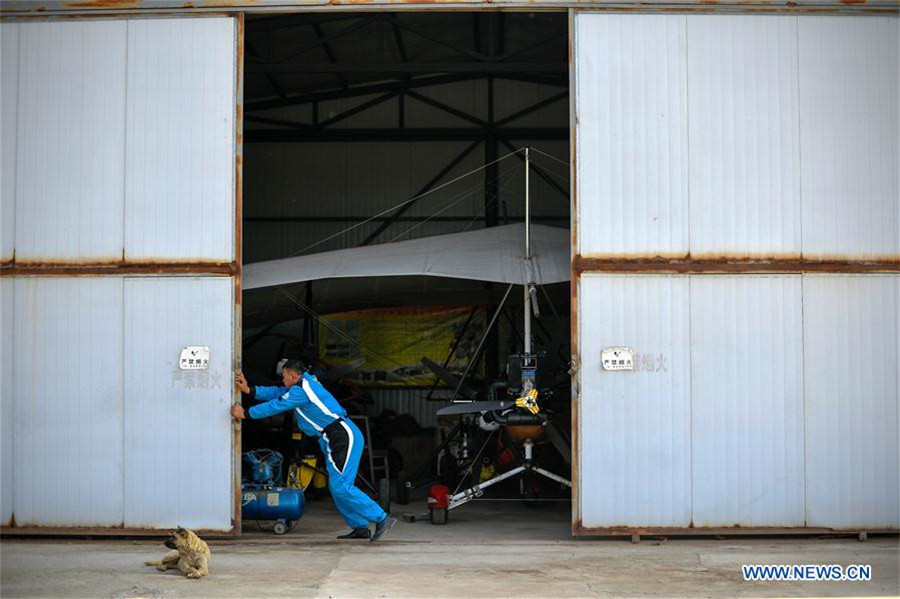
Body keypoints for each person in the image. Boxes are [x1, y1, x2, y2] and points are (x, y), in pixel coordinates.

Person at [232, 360, 397, 542]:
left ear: (293, 375)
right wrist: (250, 390)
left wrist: (245, 413)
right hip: (332, 438)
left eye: (284, 376)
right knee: (337, 485)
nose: (282, 380)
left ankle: (382, 518)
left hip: (340, 436)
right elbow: (277, 392)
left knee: (341, 485)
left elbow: (276, 405)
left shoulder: (301, 390)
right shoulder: (301, 385)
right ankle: (359, 527)